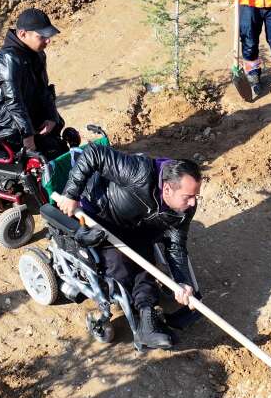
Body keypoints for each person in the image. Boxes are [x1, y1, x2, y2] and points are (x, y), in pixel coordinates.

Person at [53, 145, 202, 349]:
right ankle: (139, 314)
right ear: (167, 188)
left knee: (146, 259)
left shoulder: (185, 209)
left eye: (196, 196)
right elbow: (93, 153)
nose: (194, 203)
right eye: (188, 197)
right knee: (120, 268)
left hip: (136, 226)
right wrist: (71, 195)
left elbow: (175, 244)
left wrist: (183, 282)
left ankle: (147, 321)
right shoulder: (139, 172)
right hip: (100, 216)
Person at [0, 8, 73, 158]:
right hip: (6, 117)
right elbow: (12, 101)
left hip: (26, 108)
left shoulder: (37, 54)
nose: (48, 40)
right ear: (22, 34)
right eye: (42, 36)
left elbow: (43, 88)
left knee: (57, 130)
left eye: (48, 35)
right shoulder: (8, 59)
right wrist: (27, 134)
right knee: (44, 152)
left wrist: (51, 117)